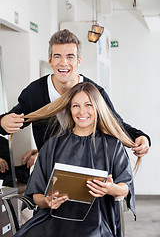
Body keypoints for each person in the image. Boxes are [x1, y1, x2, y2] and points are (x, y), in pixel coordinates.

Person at [0, 29, 150, 168]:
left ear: (79, 61)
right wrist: (3, 122)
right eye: (57, 56)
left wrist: (141, 137)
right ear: (50, 60)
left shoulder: (95, 92)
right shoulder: (35, 92)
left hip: (88, 171)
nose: (63, 62)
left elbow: (116, 124)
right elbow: (12, 121)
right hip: (49, 174)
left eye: (70, 56)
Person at [14, 82, 137, 237]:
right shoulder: (53, 145)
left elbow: (125, 187)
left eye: (88, 105)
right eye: (75, 106)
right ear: (69, 109)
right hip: (52, 219)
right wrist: (47, 201)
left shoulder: (112, 145)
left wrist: (110, 189)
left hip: (96, 220)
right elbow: (36, 195)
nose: (82, 111)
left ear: (97, 107)